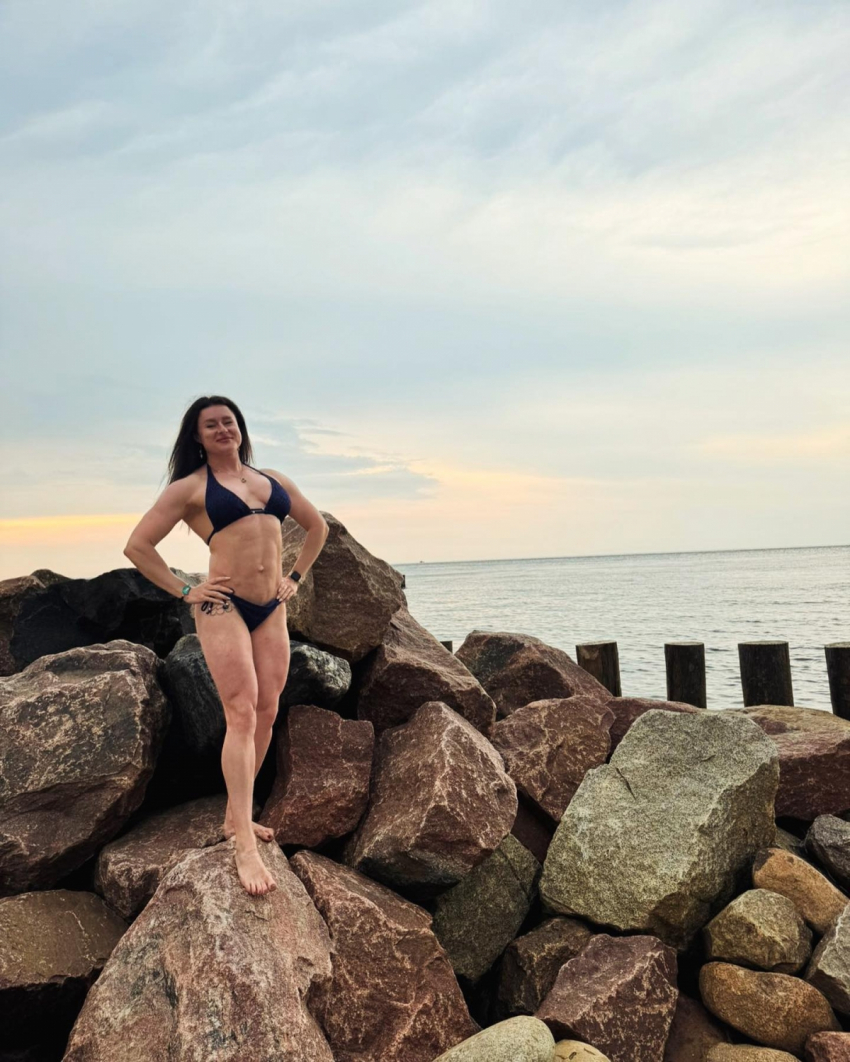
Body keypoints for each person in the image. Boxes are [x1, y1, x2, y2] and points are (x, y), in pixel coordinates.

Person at [123, 395, 329, 896]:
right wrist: (186, 590)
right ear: (197, 436)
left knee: (267, 710)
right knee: (240, 712)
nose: (222, 429)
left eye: (228, 421)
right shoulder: (190, 488)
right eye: (211, 425)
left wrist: (295, 578)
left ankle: (236, 817)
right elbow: (137, 546)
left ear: (240, 428)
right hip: (223, 605)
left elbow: (317, 526)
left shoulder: (272, 480)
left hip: (271, 606)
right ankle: (244, 845)